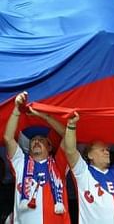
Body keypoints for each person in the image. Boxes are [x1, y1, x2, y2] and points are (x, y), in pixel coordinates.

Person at [3, 92, 71, 224]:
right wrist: (16, 109)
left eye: (41, 140)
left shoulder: (59, 164)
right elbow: (8, 138)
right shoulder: (20, 163)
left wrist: (44, 116)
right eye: (33, 140)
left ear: (50, 146)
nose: (36, 142)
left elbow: (67, 133)